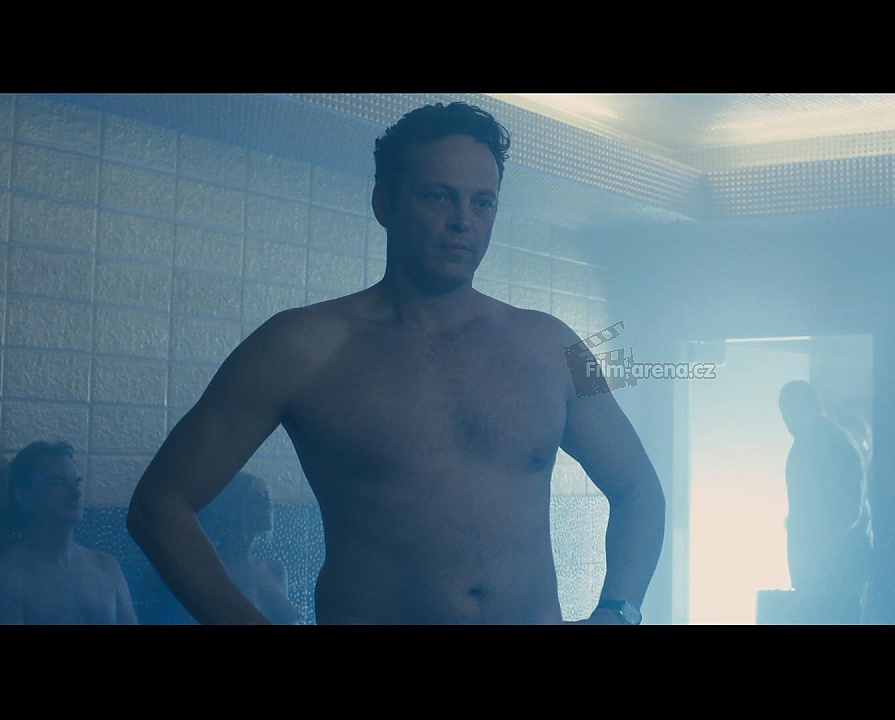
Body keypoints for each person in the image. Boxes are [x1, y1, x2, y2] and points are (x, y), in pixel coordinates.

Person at [128, 101, 666, 624]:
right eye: (438, 196)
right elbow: (159, 506)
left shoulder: (554, 346)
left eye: (483, 203)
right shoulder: (300, 347)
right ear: (384, 203)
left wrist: (618, 612)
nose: (463, 221)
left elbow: (638, 488)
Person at [0, 440, 137, 624]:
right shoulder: (8, 577)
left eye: (77, 482)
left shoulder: (106, 566)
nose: (76, 493)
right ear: (23, 496)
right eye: (57, 483)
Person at [778, 381, 872, 623]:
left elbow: (848, 511)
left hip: (833, 574)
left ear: (811, 406)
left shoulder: (832, 444)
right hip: (824, 572)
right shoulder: (815, 443)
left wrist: (818, 560)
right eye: (785, 414)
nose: (788, 420)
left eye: (791, 411)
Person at [160, 472, 300, 624]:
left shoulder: (274, 569)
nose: (267, 505)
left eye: (267, 497)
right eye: (255, 498)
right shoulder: (213, 572)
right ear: (234, 506)